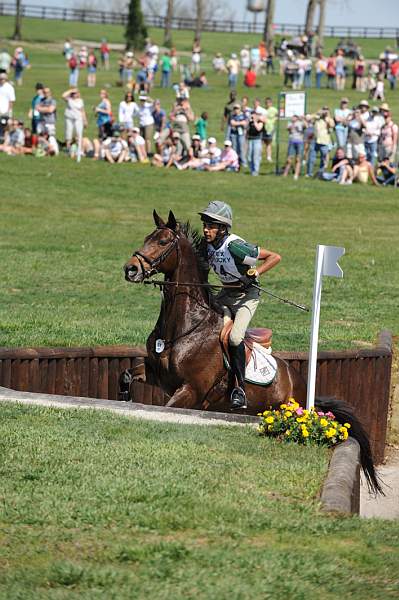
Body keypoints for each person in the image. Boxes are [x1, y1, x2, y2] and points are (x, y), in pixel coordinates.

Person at [198, 201, 281, 410]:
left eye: (211, 226)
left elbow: (275, 257)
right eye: (205, 225)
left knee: (235, 338)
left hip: (247, 296)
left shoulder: (235, 247)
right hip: (226, 294)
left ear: (223, 228)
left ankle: (240, 389)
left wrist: (255, 273)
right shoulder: (206, 245)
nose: (206, 230)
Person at [62, 88, 87, 153]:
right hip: (69, 118)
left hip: (78, 119)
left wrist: (85, 120)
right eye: (73, 94)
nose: (74, 95)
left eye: (75, 93)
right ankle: (68, 149)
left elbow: (82, 110)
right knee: (69, 133)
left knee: (79, 133)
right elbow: (63, 95)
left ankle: (80, 150)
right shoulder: (69, 100)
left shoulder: (80, 100)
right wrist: (71, 90)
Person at [283, 115, 305, 180]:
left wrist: (303, 119)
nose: (293, 118)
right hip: (292, 142)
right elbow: (288, 129)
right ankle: (285, 174)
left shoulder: (301, 123)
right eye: (293, 117)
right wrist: (293, 124)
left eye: (295, 117)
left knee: (298, 159)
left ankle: (296, 174)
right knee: (289, 159)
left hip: (300, 142)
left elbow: (306, 126)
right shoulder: (290, 123)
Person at [229, 103, 248, 167]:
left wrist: (236, 123)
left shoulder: (243, 115)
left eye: (237, 108)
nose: (236, 110)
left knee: (241, 149)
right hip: (234, 134)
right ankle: (235, 162)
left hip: (241, 134)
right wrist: (240, 123)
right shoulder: (232, 115)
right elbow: (232, 123)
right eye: (235, 108)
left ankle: (243, 162)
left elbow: (245, 123)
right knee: (234, 148)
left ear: (240, 109)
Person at [247, 106, 265, 176]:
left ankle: (256, 171)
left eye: (254, 114)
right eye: (252, 113)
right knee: (249, 156)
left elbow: (258, 129)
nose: (253, 115)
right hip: (250, 140)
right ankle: (252, 170)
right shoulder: (250, 121)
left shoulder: (260, 122)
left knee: (256, 156)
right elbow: (247, 129)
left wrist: (255, 121)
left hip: (257, 140)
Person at [263, 97, 278, 163]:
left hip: (270, 128)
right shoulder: (264, 110)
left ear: (271, 103)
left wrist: (274, 120)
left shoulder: (274, 109)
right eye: (266, 103)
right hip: (264, 128)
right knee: (263, 142)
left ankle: (269, 157)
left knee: (268, 143)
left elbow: (278, 115)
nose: (267, 104)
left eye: (268, 103)